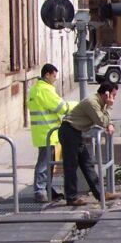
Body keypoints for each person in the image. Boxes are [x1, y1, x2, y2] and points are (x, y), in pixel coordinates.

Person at [59, 82, 121, 206]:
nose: (114, 98)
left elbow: (104, 120)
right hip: (69, 132)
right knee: (71, 166)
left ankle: (100, 194)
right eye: (113, 95)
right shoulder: (92, 102)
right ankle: (71, 198)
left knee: (87, 164)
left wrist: (109, 123)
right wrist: (109, 108)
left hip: (76, 132)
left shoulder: (99, 102)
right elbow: (101, 120)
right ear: (106, 94)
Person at [27, 64, 76, 203]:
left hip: (43, 132)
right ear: (47, 75)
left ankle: (47, 190)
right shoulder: (45, 90)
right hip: (47, 132)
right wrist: (76, 105)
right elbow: (61, 107)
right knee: (44, 164)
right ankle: (40, 191)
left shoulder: (36, 89)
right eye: (54, 76)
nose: (55, 79)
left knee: (48, 164)